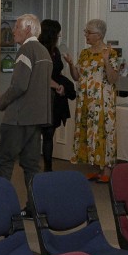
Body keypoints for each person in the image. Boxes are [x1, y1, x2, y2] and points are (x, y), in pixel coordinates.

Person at [0, 13, 51, 184]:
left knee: (4, 162)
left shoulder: (26, 50)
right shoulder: (44, 51)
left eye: (17, 27)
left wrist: (1, 103)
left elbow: (19, 86)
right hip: (36, 118)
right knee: (31, 165)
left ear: (28, 29)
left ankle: (1, 199)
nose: (13, 31)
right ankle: (34, 201)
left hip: (18, 118)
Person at [71, 18, 121, 182]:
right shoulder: (84, 53)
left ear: (98, 35)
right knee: (89, 131)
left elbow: (113, 79)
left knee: (103, 131)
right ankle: (95, 167)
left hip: (102, 101)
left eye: (88, 32)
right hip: (85, 99)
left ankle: (107, 169)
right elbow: (77, 76)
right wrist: (71, 65)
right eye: (85, 31)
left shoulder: (111, 53)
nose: (85, 35)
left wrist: (106, 61)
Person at [40, 19, 74, 173]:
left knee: (49, 133)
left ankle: (48, 168)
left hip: (56, 96)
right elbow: (41, 75)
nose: (60, 35)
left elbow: (57, 71)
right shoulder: (40, 50)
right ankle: (39, 167)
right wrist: (56, 85)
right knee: (41, 132)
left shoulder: (56, 50)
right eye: (58, 32)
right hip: (43, 95)